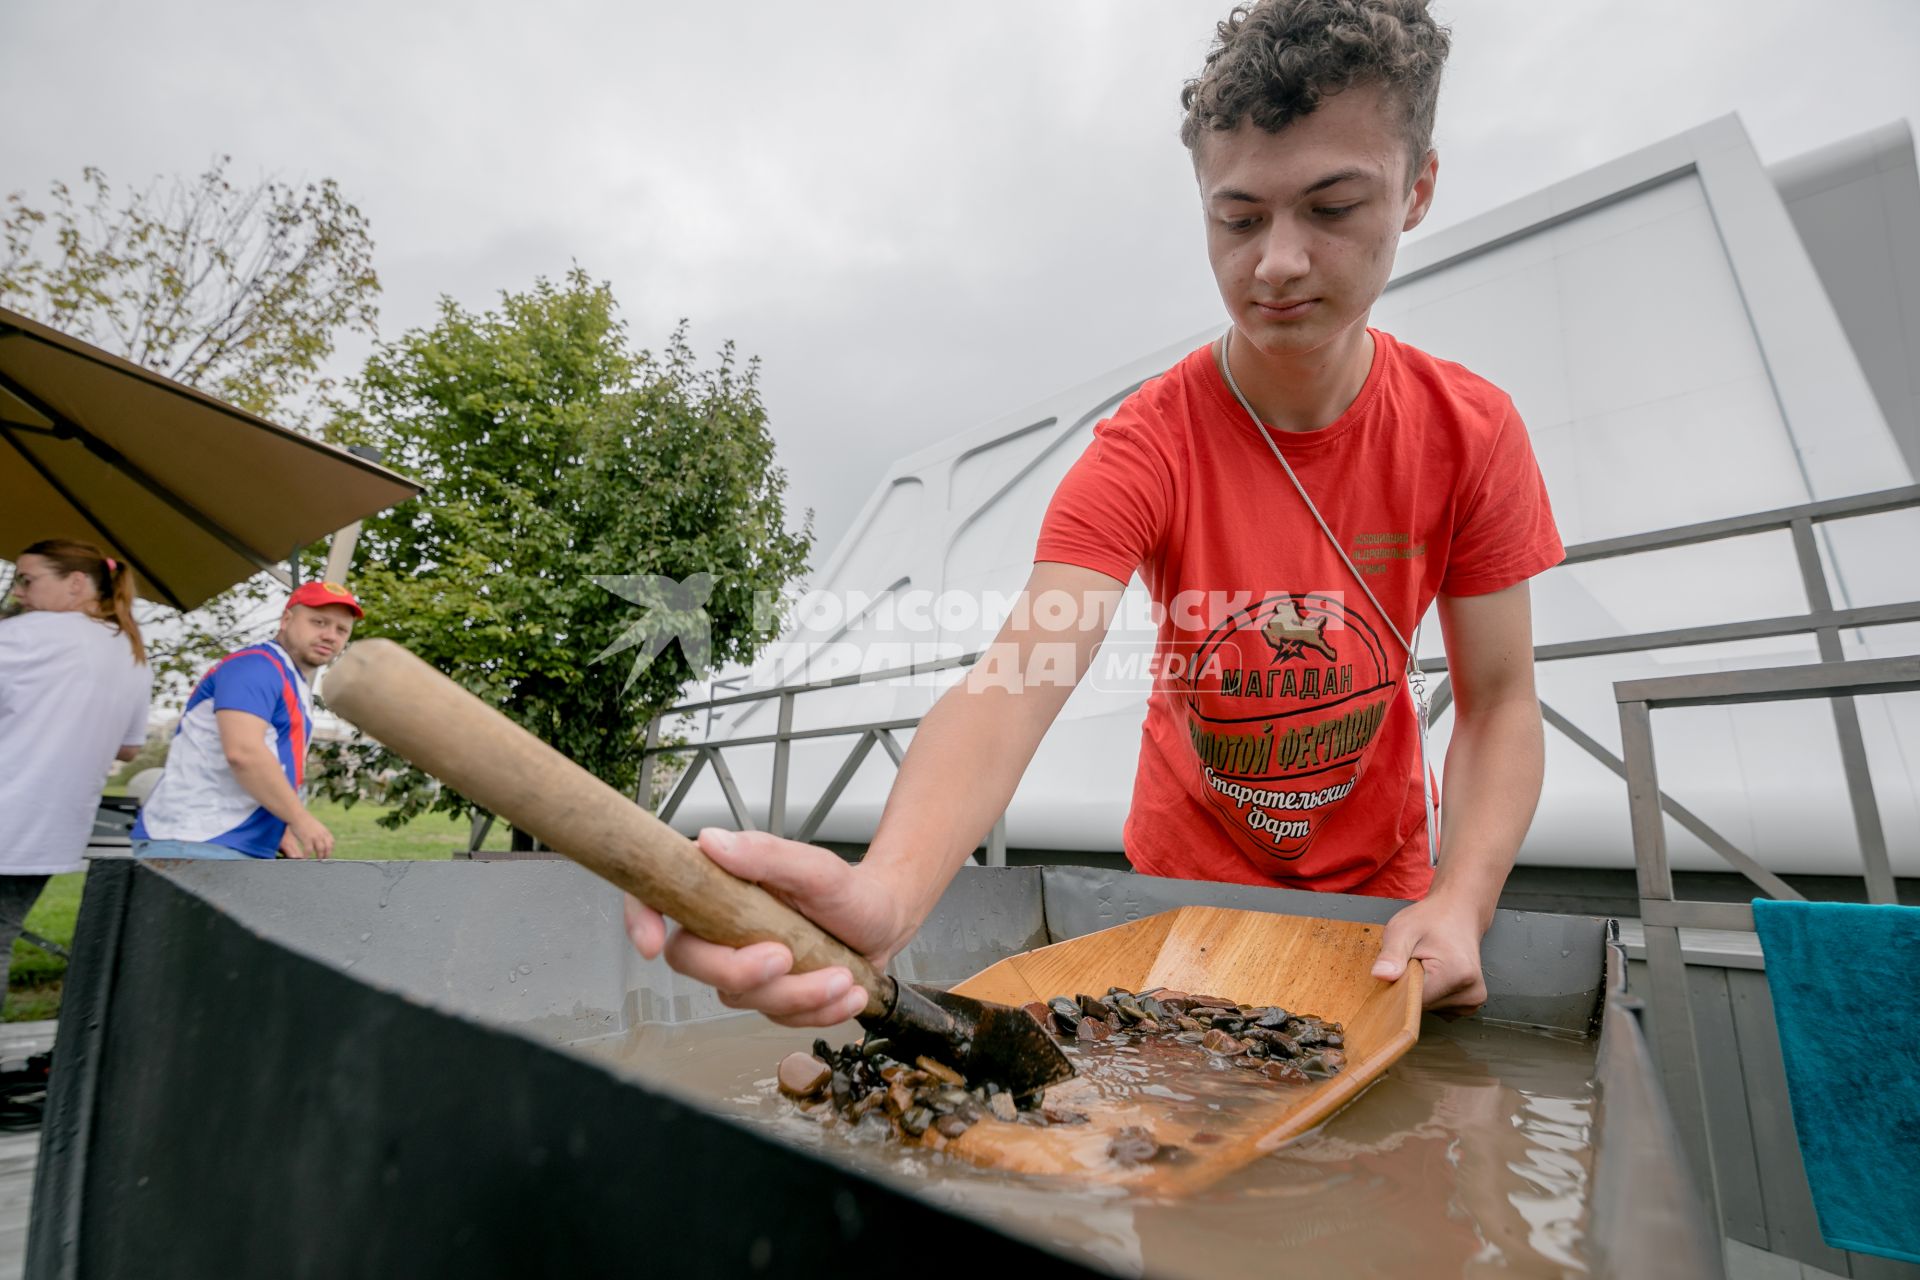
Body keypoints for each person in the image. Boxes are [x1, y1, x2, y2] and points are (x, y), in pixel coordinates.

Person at [628, 0, 1561, 1019]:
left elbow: (1502, 700)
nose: (1277, 261)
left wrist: (1462, 900)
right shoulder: (1145, 446)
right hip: (1181, 899)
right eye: (1238, 217)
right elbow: (1017, 678)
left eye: (1332, 208)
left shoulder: (1471, 430)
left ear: (1418, 188)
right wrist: (887, 890)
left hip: (1383, 919)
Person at [0, 540, 153, 983]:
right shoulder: (132, 654)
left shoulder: (28, 633)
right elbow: (128, 747)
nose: (19, 592)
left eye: (28, 580)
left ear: (76, 583)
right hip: (50, 828)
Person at [133, 581, 363, 861]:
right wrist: (300, 819)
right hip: (196, 840)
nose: (330, 635)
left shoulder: (289, 677)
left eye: (341, 630)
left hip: (224, 844)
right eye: (319, 622)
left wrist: (279, 828)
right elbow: (244, 753)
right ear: (286, 619)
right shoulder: (256, 667)